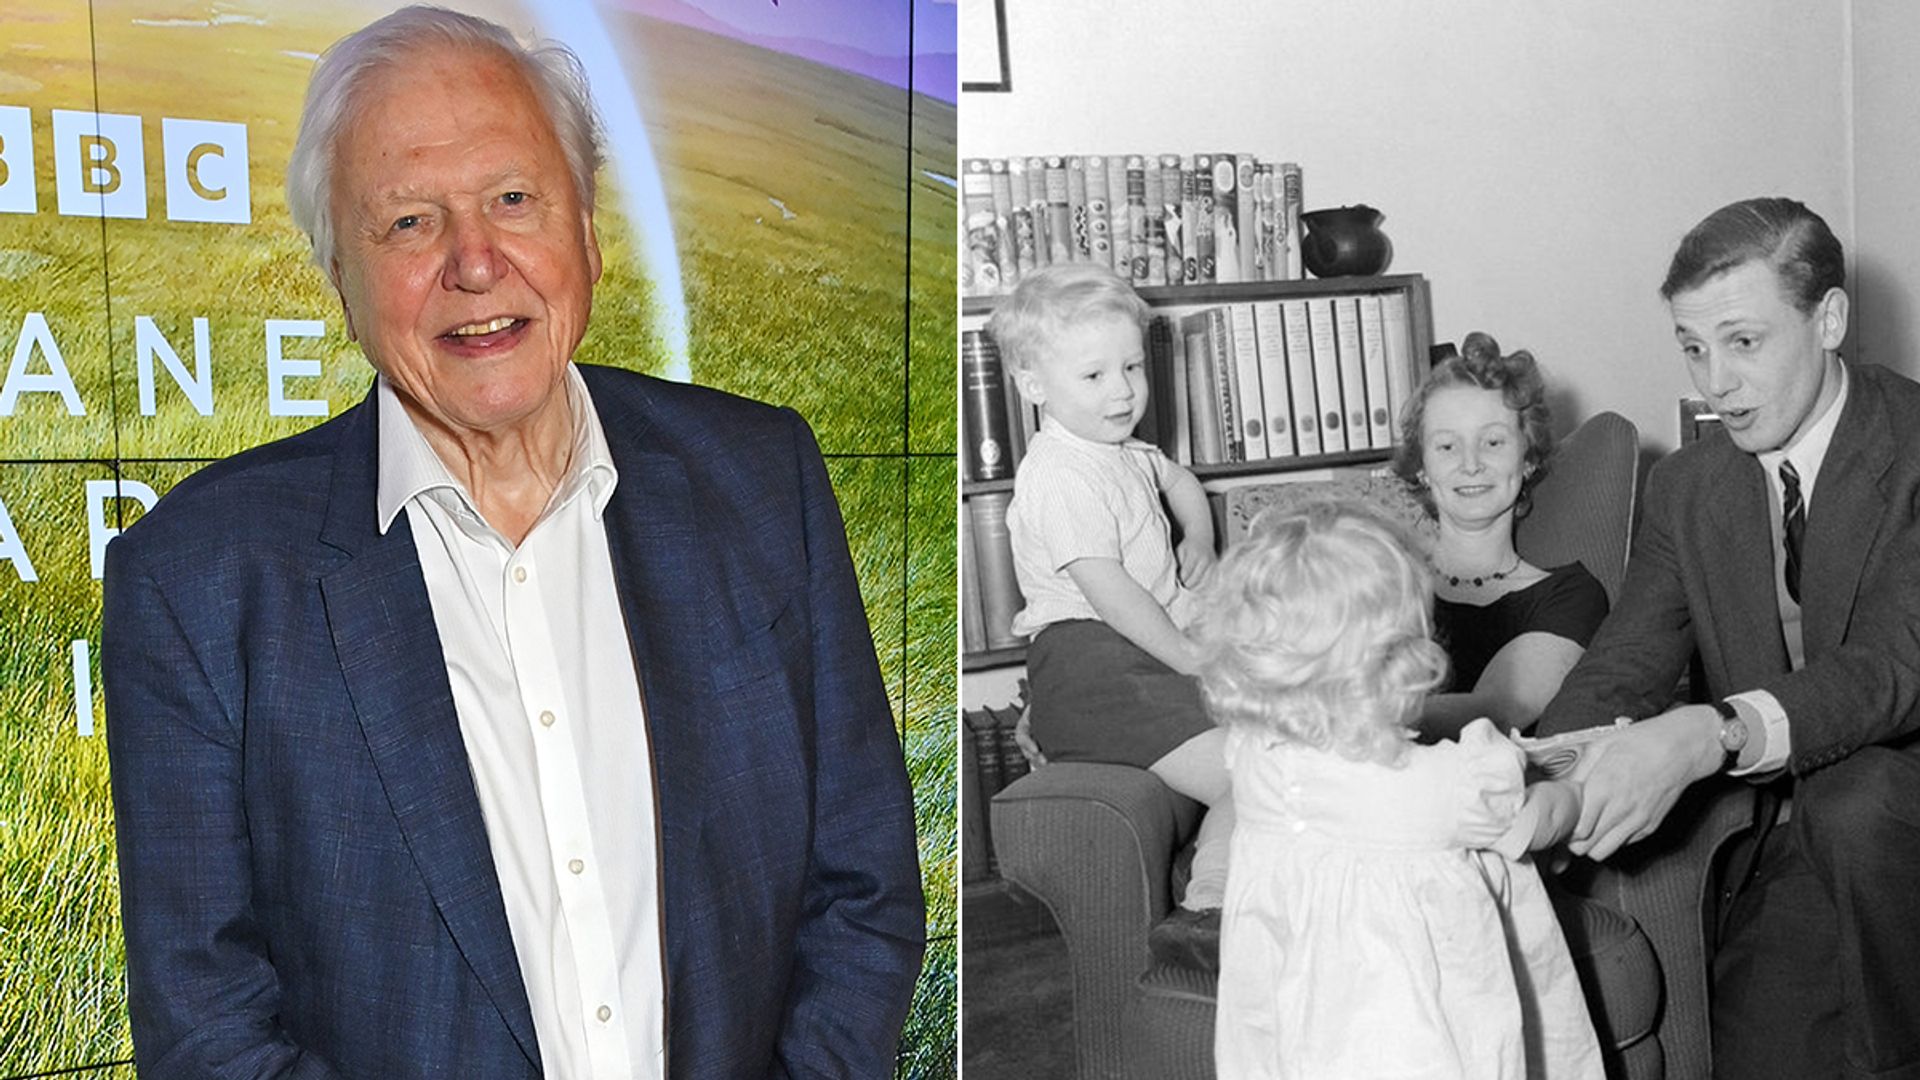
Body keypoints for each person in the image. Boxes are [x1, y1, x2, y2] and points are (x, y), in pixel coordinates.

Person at [100, 8, 923, 1079]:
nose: (475, 262)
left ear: (584, 230)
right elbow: (209, 1034)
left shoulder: (762, 481)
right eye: (407, 223)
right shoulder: (198, 582)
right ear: (338, 277)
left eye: (514, 198)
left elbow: (865, 895)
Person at [1536, 197, 1920, 1080]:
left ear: (1829, 320)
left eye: (1744, 342)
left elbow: (1895, 668)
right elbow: (1628, 662)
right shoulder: (1689, 488)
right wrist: (1531, 768)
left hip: (1899, 824)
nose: (1716, 383)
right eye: (1694, 348)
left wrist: (1713, 732)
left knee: (1861, 799)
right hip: (1800, 839)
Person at [1196, 499, 1603, 1080]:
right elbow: (1516, 814)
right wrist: (1566, 799)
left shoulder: (1255, 757)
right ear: (1402, 661)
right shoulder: (1449, 782)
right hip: (1412, 1031)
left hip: (1297, 1022)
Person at [991, 262, 1229, 963]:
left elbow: (1181, 480)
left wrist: (1201, 535)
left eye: (1132, 366)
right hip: (1096, 663)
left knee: (1271, 761)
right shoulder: (1059, 474)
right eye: (1094, 376)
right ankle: (1210, 906)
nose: (1123, 390)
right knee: (1261, 772)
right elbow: (1109, 592)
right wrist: (1190, 657)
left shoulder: (1122, 451)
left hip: (1141, 647)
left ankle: (1214, 897)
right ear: (1034, 385)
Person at [1391, 333, 1609, 738]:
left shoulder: (1572, 596)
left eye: (1492, 442)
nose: (1470, 464)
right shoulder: (1381, 583)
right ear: (1422, 466)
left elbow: (1496, 709)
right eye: (1446, 446)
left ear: (1526, 457)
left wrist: (1345, 717)